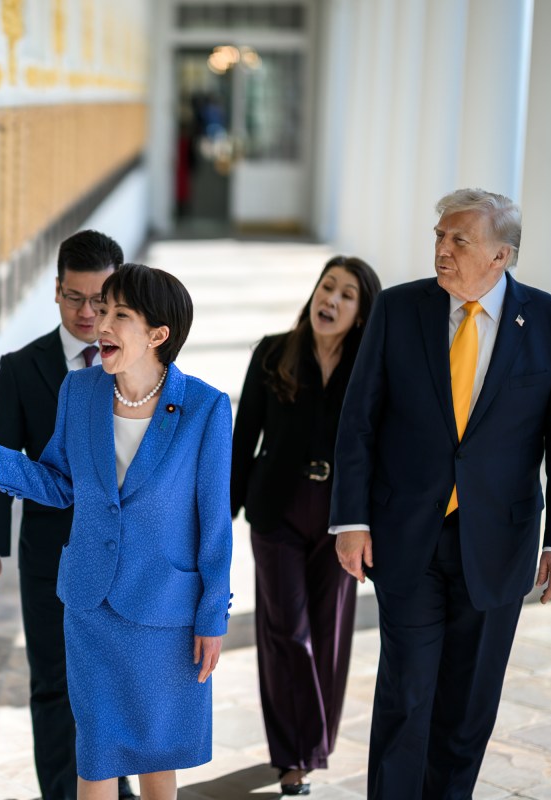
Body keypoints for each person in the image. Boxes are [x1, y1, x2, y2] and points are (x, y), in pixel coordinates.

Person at [0, 264, 234, 800]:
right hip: (92, 607)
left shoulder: (206, 408)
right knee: (95, 755)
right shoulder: (81, 392)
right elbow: (60, 483)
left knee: (157, 763)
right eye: (101, 309)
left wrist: (212, 616)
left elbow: (214, 524)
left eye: (119, 314)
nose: (99, 321)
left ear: (158, 335)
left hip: (166, 614)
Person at [330, 189, 551, 799]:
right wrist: (350, 520)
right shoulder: (398, 309)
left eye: (458, 240)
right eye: (440, 236)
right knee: (406, 696)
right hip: (406, 537)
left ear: (502, 256)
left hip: (499, 544)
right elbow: (359, 419)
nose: (441, 249)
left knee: (467, 711)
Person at [0, 229, 124, 800]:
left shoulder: (134, 364)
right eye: (74, 298)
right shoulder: (20, 369)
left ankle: (117, 786)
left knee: (115, 678)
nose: (88, 313)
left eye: (101, 298)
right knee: (55, 682)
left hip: (120, 554)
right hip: (50, 556)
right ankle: (63, 792)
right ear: (55, 292)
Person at [231, 256, 381, 796]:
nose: (332, 300)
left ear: (361, 313)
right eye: (327, 287)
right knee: (286, 633)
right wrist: (218, 521)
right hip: (276, 513)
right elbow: (243, 436)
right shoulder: (273, 352)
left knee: (329, 633)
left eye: (347, 295)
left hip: (344, 521)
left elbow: (382, 448)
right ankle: (296, 755)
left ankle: (313, 743)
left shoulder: (370, 364)